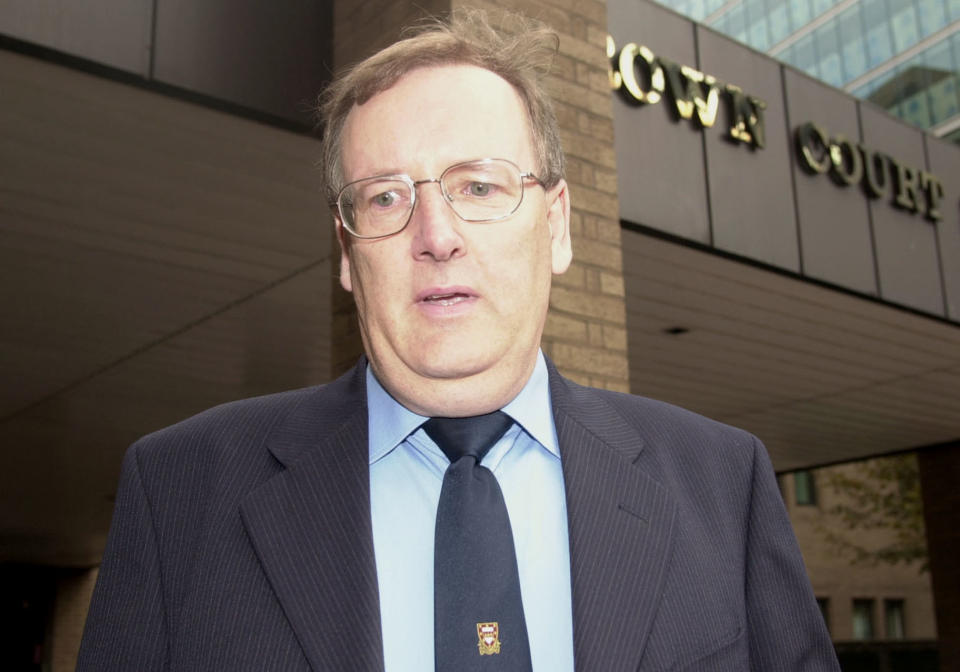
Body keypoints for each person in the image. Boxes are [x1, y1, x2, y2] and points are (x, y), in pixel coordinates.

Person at [77, 9, 840, 672]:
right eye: (385, 197)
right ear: (347, 256)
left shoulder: (722, 483)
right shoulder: (178, 491)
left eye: (478, 185)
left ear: (557, 224)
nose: (435, 235)